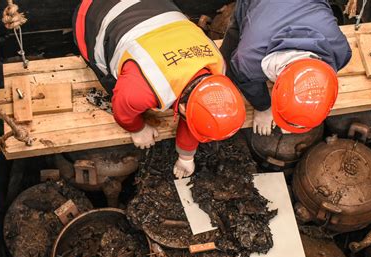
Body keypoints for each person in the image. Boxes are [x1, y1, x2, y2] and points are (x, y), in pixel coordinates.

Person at [73, 0, 246, 179]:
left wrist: (186, 156)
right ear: (183, 109)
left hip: (152, 8)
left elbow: (196, 106)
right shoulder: (139, 91)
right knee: (109, 77)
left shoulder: (217, 67)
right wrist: (137, 129)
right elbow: (122, 109)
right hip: (93, 12)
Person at [220, 0, 352, 136]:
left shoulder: (341, 50)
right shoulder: (248, 60)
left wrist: (296, 116)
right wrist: (263, 107)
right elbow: (245, 79)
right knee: (230, 49)